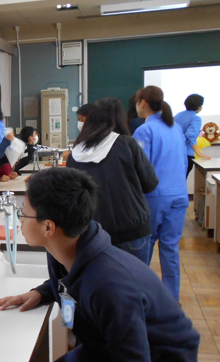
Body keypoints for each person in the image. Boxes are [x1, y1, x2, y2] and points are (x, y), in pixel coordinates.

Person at [0, 167, 199, 362]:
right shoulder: (68, 248)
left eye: (23, 212)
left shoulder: (110, 285)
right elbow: (72, 281)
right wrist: (41, 292)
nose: (20, 220)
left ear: (48, 227)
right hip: (104, 351)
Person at [67, 97, 158, 264]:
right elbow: (150, 183)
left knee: (103, 287)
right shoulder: (127, 144)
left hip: (93, 235)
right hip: (132, 231)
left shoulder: (76, 152)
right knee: (135, 286)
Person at [133, 85, 188, 302]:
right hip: (179, 195)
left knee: (144, 248)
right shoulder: (174, 127)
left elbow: (139, 168)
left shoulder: (144, 131)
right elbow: (184, 162)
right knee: (170, 250)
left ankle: (140, 296)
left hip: (155, 197)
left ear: (143, 103)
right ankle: (172, 300)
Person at [175, 93, 211, 178]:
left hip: (174, 152)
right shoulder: (195, 118)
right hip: (186, 154)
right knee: (182, 180)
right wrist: (198, 152)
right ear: (198, 106)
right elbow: (190, 135)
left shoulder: (178, 115)